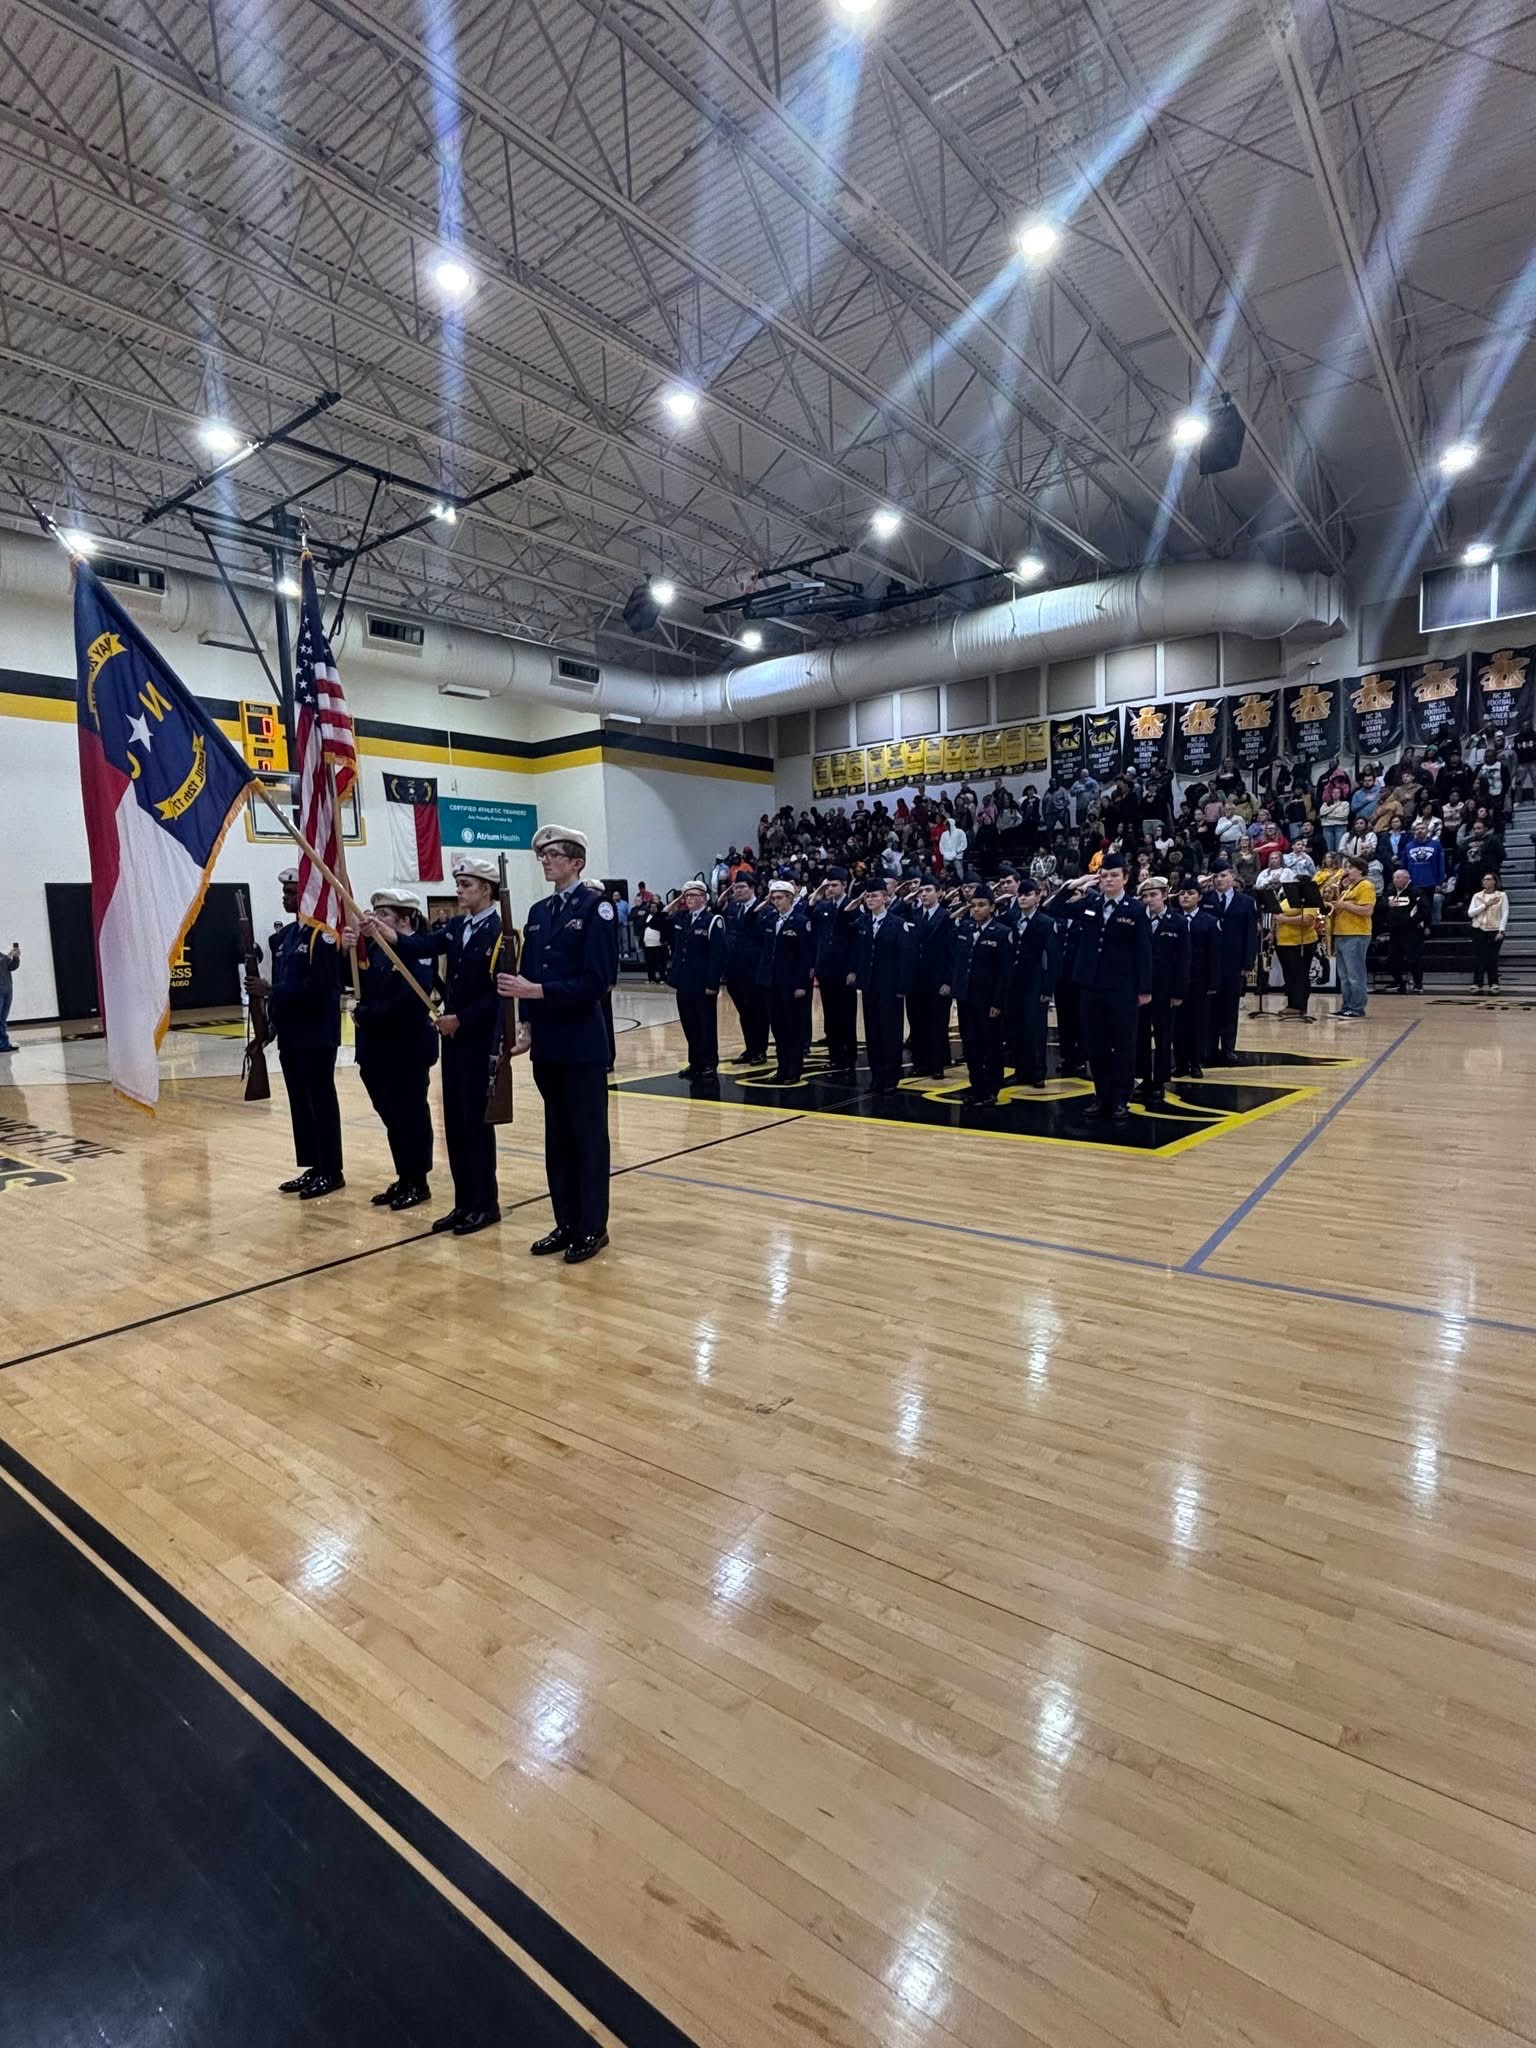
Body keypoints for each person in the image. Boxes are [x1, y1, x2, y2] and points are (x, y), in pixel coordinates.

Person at [495, 824, 618, 1264]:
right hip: (548, 1044)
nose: (545, 860)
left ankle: (592, 1226)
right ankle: (565, 1221)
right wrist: (526, 1025)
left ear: (576, 862)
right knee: (558, 1140)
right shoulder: (539, 911)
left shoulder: (596, 908)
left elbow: (598, 981)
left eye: (554, 854)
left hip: (582, 1044)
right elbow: (528, 970)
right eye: (542, 854)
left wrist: (538, 993)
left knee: (587, 1139)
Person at [381, 854, 504, 1234]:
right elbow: (421, 945)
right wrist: (387, 934)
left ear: (486, 889)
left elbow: (499, 993)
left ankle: (485, 1203)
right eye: (459, 883)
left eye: (466, 885)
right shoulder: (456, 927)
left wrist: (461, 1019)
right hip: (453, 1040)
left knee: (477, 1123)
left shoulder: (501, 931)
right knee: (455, 1122)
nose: (459, 890)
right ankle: (463, 1201)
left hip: (478, 1038)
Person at [250, 866, 344, 1198]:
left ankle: (331, 1169)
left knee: (320, 1101)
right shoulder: (286, 937)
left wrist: (271, 990)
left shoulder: (323, 936)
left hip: (317, 1032)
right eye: (285, 892)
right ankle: (313, 1165)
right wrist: (269, 1026)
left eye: (292, 892)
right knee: (300, 1103)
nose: (285, 897)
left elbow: (320, 989)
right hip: (291, 1033)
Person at [344, 890, 437, 1210]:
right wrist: (346, 951)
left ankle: (418, 1180)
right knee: (391, 1115)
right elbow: (356, 982)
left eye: (383, 914)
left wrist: (365, 1013)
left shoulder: (416, 952)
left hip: (405, 1046)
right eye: (375, 911)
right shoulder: (374, 948)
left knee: (410, 1114)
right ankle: (404, 1175)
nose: (374, 918)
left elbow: (410, 999)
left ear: (404, 919)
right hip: (375, 1047)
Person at [1054, 859, 1152, 1124]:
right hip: (1090, 986)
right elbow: (1054, 909)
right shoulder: (1091, 904)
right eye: (1104, 875)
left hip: (1122, 987)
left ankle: (1121, 1099)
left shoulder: (1135, 909)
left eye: (1114, 875)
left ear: (1125, 878)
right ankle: (1102, 1096)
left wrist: (1144, 988)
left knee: (1122, 1045)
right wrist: (1074, 885)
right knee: (1095, 1045)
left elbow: (1144, 950)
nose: (1108, 879)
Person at [853, 876, 916, 1093]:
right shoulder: (862, 923)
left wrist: (902, 988)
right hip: (869, 986)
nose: (870, 899)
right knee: (872, 1033)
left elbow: (905, 958)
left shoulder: (898, 924)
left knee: (890, 1032)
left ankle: (891, 1077)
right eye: (868, 896)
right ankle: (876, 1076)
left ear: (886, 898)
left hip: (890, 987)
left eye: (875, 896)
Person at [950, 884, 1012, 1107]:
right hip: (966, 997)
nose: (976, 910)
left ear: (992, 907)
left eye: (982, 905)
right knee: (971, 1045)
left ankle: (991, 1089)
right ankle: (976, 1088)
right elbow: (958, 962)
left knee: (991, 1046)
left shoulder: (1002, 933)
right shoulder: (965, 929)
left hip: (988, 1000)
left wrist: (998, 1001)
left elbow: (1005, 973)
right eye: (973, 906)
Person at [663, 879, 725, 1080]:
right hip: (683, 980)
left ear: (704, 898)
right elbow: (656, 921)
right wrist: (675, 902)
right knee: (689, 1023)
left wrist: (712, 983)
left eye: (693, 895)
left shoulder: (713, 920)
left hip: (702, 982)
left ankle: (709, 1062)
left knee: (706, 1024)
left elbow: (717, 954)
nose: (689, 899)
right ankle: (695, 1061)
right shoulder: (682, 917)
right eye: (686, 895)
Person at [1136, 876, 1188, 1107]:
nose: (1149, 900)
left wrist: (1178, 992)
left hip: (1166, 990)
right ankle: (1144, 1079)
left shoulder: (1177, 922)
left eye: (1153, 895)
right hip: (1141, 989)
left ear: (1165, 896)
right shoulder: (1137, 921)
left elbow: (1183, 960)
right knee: (1140, 1037)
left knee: (1164, 1037)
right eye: (1145, 896)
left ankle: (1159, 1081)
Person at [1004, 878, 1059, 1088]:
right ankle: (1020, 1069)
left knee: (1035, 1028)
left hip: (1035, 982)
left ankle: (1038, 1071)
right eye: (1021, 895)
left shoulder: (1045, 922)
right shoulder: (1011, 918)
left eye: (1028, 894)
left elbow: (1052, 958)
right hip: (1013, 981)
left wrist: (1048, 987)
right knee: (1015, 1027)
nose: (1023, 898)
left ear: (1038, 896)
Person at [759, 878, 812, 1081]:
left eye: (780, 898)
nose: (776, 902)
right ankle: (782, 1068)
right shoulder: (770, 919)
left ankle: (794, 1069)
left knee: (793, 1028)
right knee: (778, 1028)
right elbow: (758, 923)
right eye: (773, 898)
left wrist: (801, 985)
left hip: (791, 983)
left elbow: (805, 956)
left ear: (790, 898)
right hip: (772, 982)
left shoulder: (801, 921)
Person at [1207, 859, 1259, 1065]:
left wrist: (1248, 962)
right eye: (1216, 876)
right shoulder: (1206, 900)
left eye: (1223, 875)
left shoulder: (1245, 902)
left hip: (1233, 962)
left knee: (1230, 1007)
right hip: (1210, 963)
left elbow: (1250, 934)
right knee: (1210, 1008)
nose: (1219, 880)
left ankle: (1228, 1048)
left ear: (1232, 877)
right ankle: (1208, 1048)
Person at [906, 877, 956, 1079]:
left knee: (937, 1023)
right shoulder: (914, 915)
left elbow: (952, 953)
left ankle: (937, 1064)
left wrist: (949, 981)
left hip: (938, 979)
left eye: (928, 890)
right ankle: (920, 1063)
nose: (923, 894)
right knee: (917, 1022)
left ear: (939, 892)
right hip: (915, 979)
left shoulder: (947, 917)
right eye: (921, 891)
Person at [810, 869, 860, 1070]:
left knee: (846, 1016)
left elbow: (857, 941)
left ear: (844, 885)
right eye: (828, 885)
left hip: (844, 969)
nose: (830, 889)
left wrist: (853, 969)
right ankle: (835, 1057)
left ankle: (849, 1058)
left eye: (834, 885)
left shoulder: (853, 907)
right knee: (830, 1017)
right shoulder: (823, 906)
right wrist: (816, 895)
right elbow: (808, 920)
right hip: (825, 969)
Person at [722, 874, 770, 1062]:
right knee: (744, 1012)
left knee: (758, 1011)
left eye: (741, 887)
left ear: (752, 888)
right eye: (735, 888)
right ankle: (750, 1048)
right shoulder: (733, 908)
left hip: (754, 969)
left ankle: (760, 1049)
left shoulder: (763, 909)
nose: (738, 891)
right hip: (735, 969)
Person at [1173, 881, 1217, 1077]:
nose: (1185, 896)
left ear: (1199, 896)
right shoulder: (1172, 919)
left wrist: (1213, 982)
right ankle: (1180, 1063)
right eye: (1182, 893)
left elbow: (1215, 954)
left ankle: (1196, 1062)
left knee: (1198, 1023)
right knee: (1177, 1023)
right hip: (1176, 980)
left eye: (1190, 893)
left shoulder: (1209, 921)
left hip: (1199, 979)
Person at [1271, 861, 1324, 1020]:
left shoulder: (1309, 899)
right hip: (1283, 942)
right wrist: (1272, 932)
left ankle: (1299, 1005)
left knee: (1299, 974)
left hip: (1301, 942)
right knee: (1289, 975)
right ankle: (1291, 1004)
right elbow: (1278, 916)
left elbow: (1308, 920)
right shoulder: (1287, 899)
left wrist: (1284, 919)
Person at [1330, 854, 1376, 1019]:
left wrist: (1345, 905)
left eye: (1350, 868)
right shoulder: (1349, 888)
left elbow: (1367, 910)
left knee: (1355, 974)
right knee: (1344, 976)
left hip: (1356, 933)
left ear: (1361, 870)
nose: (1346, 871)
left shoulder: (1366, 886)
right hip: (1342, 933)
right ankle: (1346, 1006)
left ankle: (1357, 1007)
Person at [1382, 868, 1430, 993]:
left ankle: (1418, 984)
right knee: (1392, 958)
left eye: (1399, 877)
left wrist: (1411, 921)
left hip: (1411, 931)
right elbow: (1379, 906)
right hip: (1394, 931)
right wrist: (1387, 905)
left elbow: (1425, 910)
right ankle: (1399, 982)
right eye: (1394, 878)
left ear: (1407, 878)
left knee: (1414, 958)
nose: (1396, 880)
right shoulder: (1389, 892)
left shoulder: (1416, 892)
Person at [1468, 872, 1509, 991]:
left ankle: (1494, 983)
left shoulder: (1501, 896)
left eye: (1488, 879)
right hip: (1478, 929)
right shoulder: (1477, 896)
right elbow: (1470, 913)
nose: (1486, 881)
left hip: (1494, 930)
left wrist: (1501, 931)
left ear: (1494, 881)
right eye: (1484, 879)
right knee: (1478, 957)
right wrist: (1485, 905)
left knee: (1492, 957)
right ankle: (1477, 983)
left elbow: (1504, 914)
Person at [0, 936, 17, 1050]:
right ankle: (2, 1044)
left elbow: (12, 967)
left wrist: (16, 957)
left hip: (7, 990)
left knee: (2, 1018)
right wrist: (8, 956)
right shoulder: (3, 957)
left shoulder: (1, 956)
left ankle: (4, 1043)